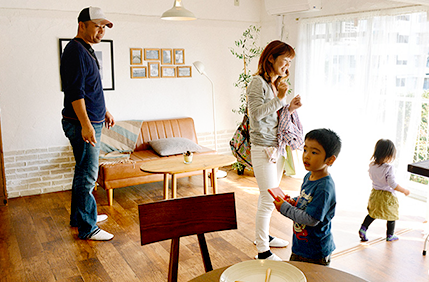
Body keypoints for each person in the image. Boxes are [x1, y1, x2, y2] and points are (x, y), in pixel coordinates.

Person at [60, 6, 115, 241]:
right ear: (82, 25)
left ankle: (80, 216)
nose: (101, 30)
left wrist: (104, 111)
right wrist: (86, 124)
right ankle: (87, 227)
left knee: (82, 172)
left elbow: (91, 89)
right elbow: (75, 92)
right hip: (83, 124)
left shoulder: (86, 49)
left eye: (104, 26)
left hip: (91, 120)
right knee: (88, 175)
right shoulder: (75, 51)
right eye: (97, 25)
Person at [247, 40, 303, 261]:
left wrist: (289, 107)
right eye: (285, 60)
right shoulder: (256, 83)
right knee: (269, 198)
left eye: (290, 62)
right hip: (263, 148)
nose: (287, 66)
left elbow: (273, 117)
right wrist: (280, 99)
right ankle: (263, 250)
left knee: (268, 196)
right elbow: (256, 115)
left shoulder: (274, 83)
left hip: (276, 146)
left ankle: (264, 237)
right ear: (271, 57)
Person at [273, 128, 342, 266]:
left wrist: (285, 208)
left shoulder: (325, 188)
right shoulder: (309, 176)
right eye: (305, 150)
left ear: (330, 159)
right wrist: (295, 201)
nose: (306, 156)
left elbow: (311, 219)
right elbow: (307, 197)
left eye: (314, 152)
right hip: (301, 246)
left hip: (316, 251)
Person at [358, 139, 410, 242]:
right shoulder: (388, 167)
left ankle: (363, 228)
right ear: (388, 155)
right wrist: (404, 190)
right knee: (392, 215)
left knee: (372, 213)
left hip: (375, 194)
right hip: (387, 196)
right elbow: (393, 184)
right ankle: (390, 235)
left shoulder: (372, 165)